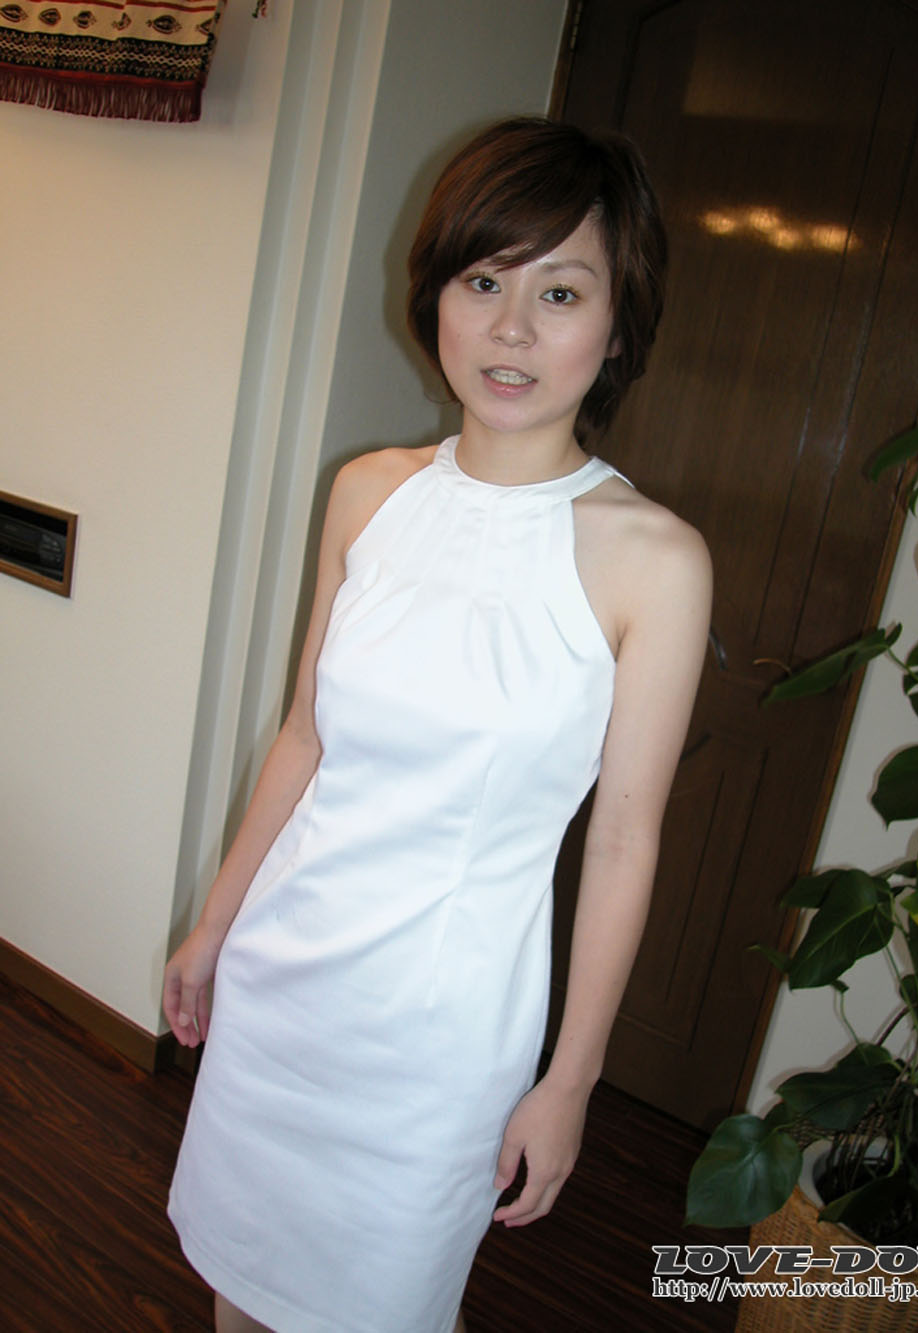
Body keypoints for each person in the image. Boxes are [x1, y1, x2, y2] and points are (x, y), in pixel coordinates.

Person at [164, 116, 712, 1333]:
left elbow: (624, 843)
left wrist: (570, 1081)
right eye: (482, 281)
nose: (511, 329)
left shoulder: (653, 561)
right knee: (240, 1289)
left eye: (558, 292)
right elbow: (305, 735)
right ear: (437, 298)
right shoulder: (370, 492)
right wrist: (213, 925)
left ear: (616, 326)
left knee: (384, 1305)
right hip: (283, 982)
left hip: (438, 1041)